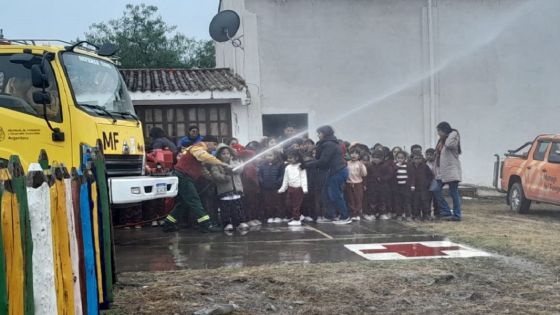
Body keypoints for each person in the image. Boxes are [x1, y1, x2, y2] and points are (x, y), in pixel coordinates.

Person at [162, 135, 230, 233]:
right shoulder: (198, 148)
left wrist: (212, 178)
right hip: (184, 176)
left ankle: (168, 223)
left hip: (183, 176)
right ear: (208, 142)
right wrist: (221, 163)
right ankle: (206, 224)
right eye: (214, 144)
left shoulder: (195, 149)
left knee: (184, 203)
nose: (215, 148)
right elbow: (204, 156)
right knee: (194, 200)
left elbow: (201, 170)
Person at [306, 125, 351, 225]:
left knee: (335, 195)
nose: (318, 135)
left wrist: (307, 164)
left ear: (325, 133)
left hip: (337, 172)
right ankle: (329, 215)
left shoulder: (329, 144)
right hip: (332, 172)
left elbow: (323, 160)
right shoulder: (327, 143)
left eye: (319, 133)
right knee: (326, 194)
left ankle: (345, 217)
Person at [209, 144, 249, 232]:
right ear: (219, 155)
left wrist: (231, 167)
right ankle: (227, 223)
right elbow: (216, 175)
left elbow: (240, 169)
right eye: (223, 153)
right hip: (224, 191)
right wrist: (225, 177)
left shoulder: (235, 162)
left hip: (236, 190)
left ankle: (240, 222)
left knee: (238, 207)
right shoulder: (216, 164)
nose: (226, 155)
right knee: (226, 209)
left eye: (227, 153)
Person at [433, 122, 463, 221]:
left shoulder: (453, 138)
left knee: (454, 193)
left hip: (451, 171)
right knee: (435, 189)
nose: (438, 134)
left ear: (445, 130)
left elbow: (449, 144)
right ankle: (446, 211)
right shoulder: (441, 141)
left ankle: (457, 215)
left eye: (439, 131)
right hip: (441, 172)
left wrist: (453, 133)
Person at [278, 150, 308, 226]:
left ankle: (297, 219)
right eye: (288, 158)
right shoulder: (287, 167)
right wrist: (283, 188)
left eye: (291, 158)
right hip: (290, 188)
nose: (289, 159)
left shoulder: (300, 167)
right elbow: (286, 179)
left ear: (297, 158)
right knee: (288, 204)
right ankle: (298, 216)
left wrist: (304, 188)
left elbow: (304, 178)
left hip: (298, 189)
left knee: (296, 205)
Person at [258, 151, 285, 223]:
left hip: (276, 187)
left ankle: (278, 216)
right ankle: (270, 216)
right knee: (268, 203)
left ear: (275, 156)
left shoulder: (280, 164)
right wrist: (262, 182)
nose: (268, 157)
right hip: (266, 187)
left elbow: (282, 175)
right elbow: (260, 175)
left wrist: (277, 182)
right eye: (267, 156)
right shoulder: (262, 165)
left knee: (277, 202)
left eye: (270, 155)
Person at [365, 150, 393, 220]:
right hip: (372, 187)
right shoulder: (369, 166)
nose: (376, 159)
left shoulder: (386, 166)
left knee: (382, 201)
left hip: (383, 187)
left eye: (378, 157)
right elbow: (367, 176)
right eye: (374, 157)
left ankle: (382, 213)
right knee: (372, 201)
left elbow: (389, 175)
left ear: (382, 158)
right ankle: (372, 214)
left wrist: (382, 179)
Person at [239, 149, 262, 226]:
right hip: (250, 189)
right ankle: (250, 219)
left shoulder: (249, 165)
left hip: (250, 189)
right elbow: (250, 177)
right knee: (250, 204)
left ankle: (253, 218)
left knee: (253, 204)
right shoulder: (249, 166)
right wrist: (257, 184)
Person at [410, 153, 434, 220]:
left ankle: (426, 215)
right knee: (415, 202)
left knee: (425, 201)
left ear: (422, 159)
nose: (417, 160)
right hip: (414, 188)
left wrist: (427, 183)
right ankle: (416, 215)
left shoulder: (425, 166)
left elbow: (431, 175)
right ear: (412, 159)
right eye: (415, 158)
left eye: (419, 158)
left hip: (424, 188)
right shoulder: (410, 166)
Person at [346, 148, 367, 221]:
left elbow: (364, 174)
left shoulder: (360, 164)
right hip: (349, 183)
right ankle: (352, 214)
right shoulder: (347, 163)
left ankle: (358, 214)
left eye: (356, 153)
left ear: (359, 155)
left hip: (358, 183)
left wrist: (361, 167)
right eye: (352, 153)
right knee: (350, 199)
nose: (354, 155)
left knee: (358, 199)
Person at [393, 151, 414, 220]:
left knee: (407, 201)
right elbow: (392, 173)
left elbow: (411, 176)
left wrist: (412, 185)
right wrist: (396, 167)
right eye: (398, 158)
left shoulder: (408, 165)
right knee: (398, 201)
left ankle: (408, 215)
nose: (400, 160)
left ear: (405, 158)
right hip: (397, 186)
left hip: (406, 186)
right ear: (396, 158)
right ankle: (399, 214)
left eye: (402, 158)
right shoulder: (395, 165)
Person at [425, 148, 440, 217]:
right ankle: (428, 213)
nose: (429, 156)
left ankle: (437, 213)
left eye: (431, 155)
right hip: (427, 183)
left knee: (436, 198)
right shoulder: (425, 163)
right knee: (428, 199)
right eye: (427, 155)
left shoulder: (437, 163)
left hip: (435, 182)